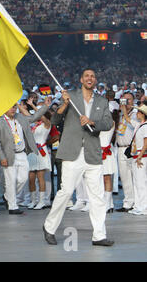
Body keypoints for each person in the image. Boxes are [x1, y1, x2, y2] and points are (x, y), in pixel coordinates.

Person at [43, 69, 114, 247]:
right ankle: (49, 227)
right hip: (71, 152)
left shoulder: (102, 101)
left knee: (97, 197)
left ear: (95, 80)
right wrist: (64, 104)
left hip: (92, 153)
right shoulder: (70, 96)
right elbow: (55, 120)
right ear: (81, 79)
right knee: (66, 192)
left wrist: (92, 122)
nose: (90, 78)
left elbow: (107, 123)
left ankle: (99, 235)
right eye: (87, 76)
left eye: (93, 76)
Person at [0, 98, 50, 214]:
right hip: (8, 155)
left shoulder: (20, 118)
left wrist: (45, 107)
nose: (13, 109)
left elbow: (34, 117)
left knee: (23, 179)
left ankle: (8, 195)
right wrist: (2, 157)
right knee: (10, 180)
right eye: (10, 107)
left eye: (14, 106)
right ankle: (12, 206)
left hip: (22, 153)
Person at [120, 104, 147, 215]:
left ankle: (144, 206)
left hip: (141, 157)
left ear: (142, 114)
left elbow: (146, 143)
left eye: (139, 112)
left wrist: (140, 156)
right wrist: (124, 110)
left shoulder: (145, 126)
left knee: (141, 182)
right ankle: (138, 205)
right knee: (136, 181)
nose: (137, 113)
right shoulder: (139, 125)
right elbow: (128, 119)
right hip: (136, 156)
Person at [115, 92, 138, 212]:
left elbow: (137, 127)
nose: (126, 103)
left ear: (133, 101)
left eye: (128, 100)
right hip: (120, 148)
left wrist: (124, 112)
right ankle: (128, 202)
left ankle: (137, 202)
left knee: (134, 176)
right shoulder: (118, 115)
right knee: (124, 176)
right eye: (124, 100)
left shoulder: (136, 114)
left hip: (131, 149)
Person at [27, 111, 52, 210]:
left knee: (40, 177)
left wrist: (36, 108)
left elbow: (41, 116)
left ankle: (42, 201)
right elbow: (27, 115)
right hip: (32, 152)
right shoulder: (34, 125)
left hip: (41, 150)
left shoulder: (47, 124)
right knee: (31, 177)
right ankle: (34, 200)